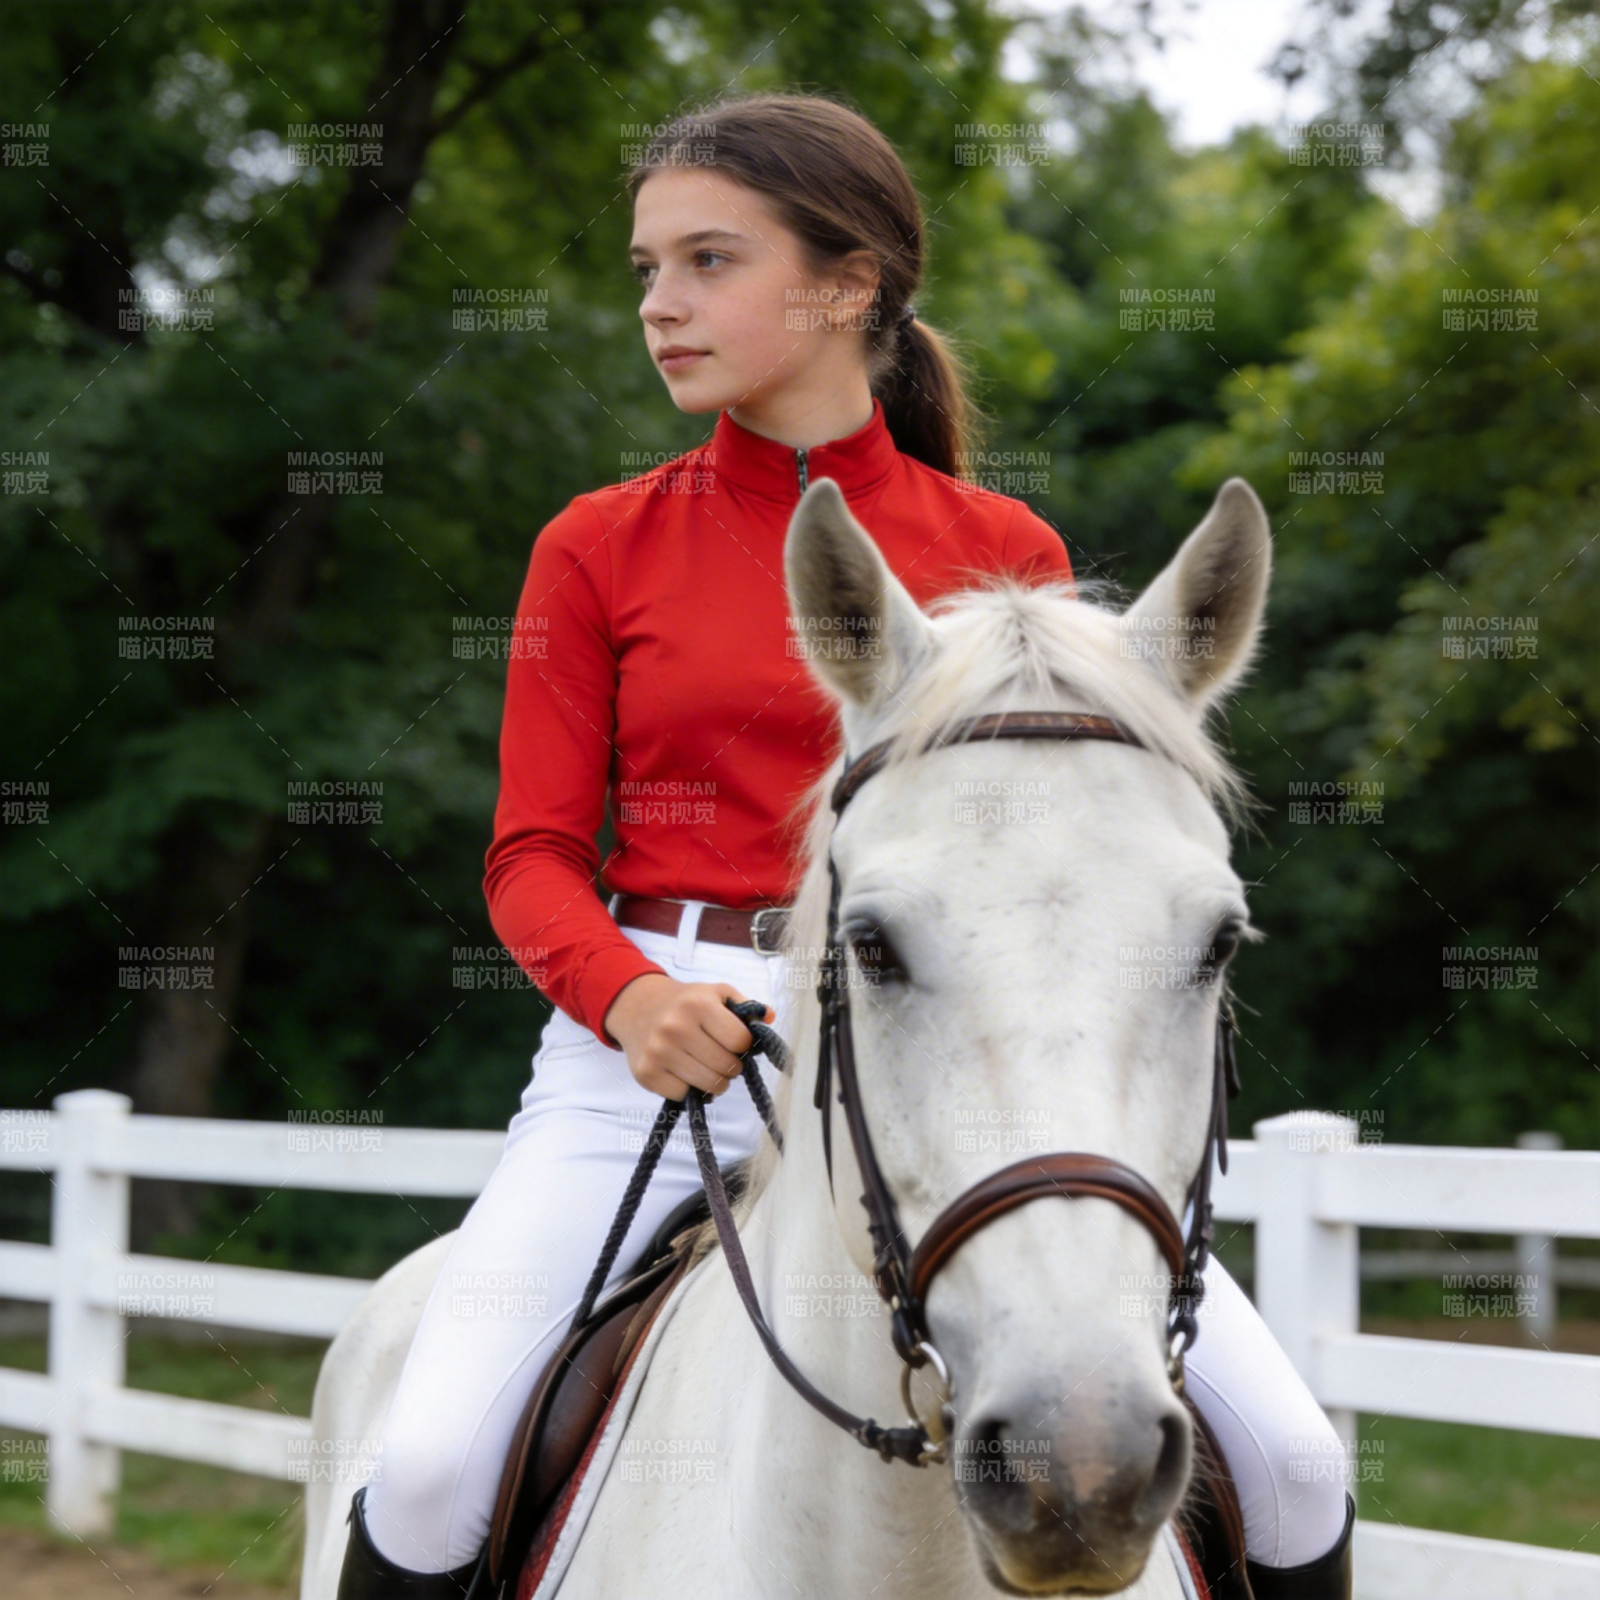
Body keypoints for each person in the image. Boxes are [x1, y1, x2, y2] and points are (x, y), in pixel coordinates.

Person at [334, 91, 1355, 1599]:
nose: (659, 307)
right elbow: (530, 857)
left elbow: (1050, 885)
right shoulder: (596, 545)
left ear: (848, 284)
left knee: (1296, 1468)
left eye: (705, 262)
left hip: (945, 1052)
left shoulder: (1011, 555)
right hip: (645, 1056)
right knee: (424, 1474)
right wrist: (630, 1002)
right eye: (646, 270)